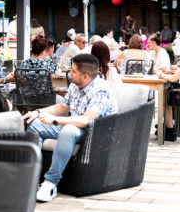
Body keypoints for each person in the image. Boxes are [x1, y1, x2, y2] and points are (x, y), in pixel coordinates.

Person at [23, 54, 118, 202]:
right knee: (35, 124)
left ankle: (51, 183)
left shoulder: (101, 90)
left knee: (68, 130)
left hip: (95, 130)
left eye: (73, 71)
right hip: (74, 124)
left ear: (85, 76)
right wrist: (38, 112)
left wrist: (54, 120)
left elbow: (85, 120)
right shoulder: (75, 85)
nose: (70, 73)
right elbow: (62, 107)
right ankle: (31, 178)